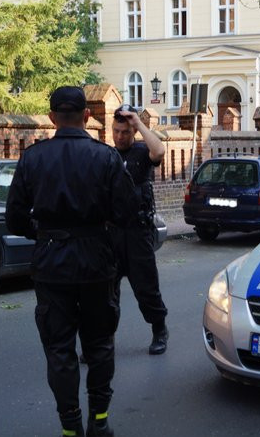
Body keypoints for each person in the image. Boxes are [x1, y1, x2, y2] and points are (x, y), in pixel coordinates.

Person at [6, 86, 139, 437]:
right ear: (86, 117)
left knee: (59, 349)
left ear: (52, 118)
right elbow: (127, 212)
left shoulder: (33, 158)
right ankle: (99, 422)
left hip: (52, 264)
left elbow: (15, 218)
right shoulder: (107, 157)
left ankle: (70, 428)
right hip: (97, 262)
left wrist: (44, 233)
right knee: (100, 345)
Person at [110, 104, 170, 355]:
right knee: (105, 294)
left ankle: (159, 330)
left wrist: (139, 123)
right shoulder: (106, 155)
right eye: (116, 131)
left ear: (132, 131)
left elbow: (160, 150)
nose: (119, 136)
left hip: (138, 233)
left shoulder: (142, 152)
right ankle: (103, 340)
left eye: (124, 131)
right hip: (111, 234)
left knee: (146, 288)